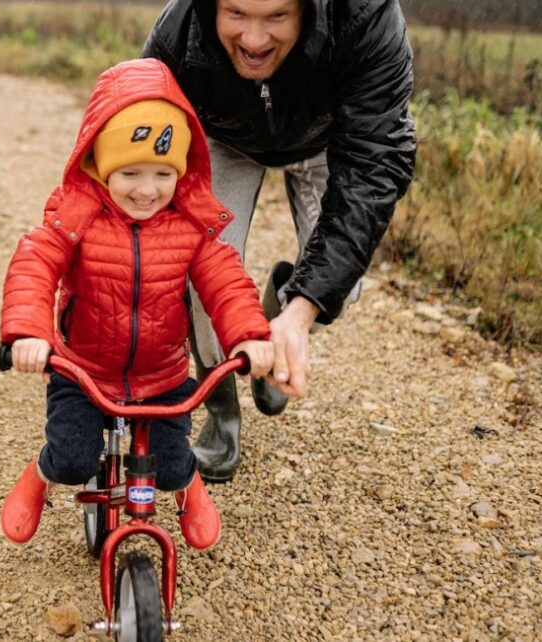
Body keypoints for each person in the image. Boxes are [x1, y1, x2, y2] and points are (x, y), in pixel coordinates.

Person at [0, 58, 275, 550]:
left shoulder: (190, 226)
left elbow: (226, 280)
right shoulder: (77, 215)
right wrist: (29, 332)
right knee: (72, 457)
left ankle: (188, 487)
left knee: (170, 465)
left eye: (163, 173)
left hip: (162, 377)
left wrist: (249, 334)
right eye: (129, 172)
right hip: (82, 369)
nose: (147, 190)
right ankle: (39, 476)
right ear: (100, 165)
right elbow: (36, 262)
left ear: (182, 169)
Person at [142, 0, 417, 481]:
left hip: (324, 140)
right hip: (224, 138)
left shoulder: (367, 17)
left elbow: (375, 165)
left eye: (275, 17)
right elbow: (136, 141)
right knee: (202, 279)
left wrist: (302, 308)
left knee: (339, 287)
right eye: (236, 14)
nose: (253, 39)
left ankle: (276, 316)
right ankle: (220, 410)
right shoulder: (178, 29)